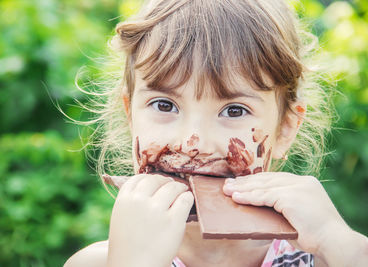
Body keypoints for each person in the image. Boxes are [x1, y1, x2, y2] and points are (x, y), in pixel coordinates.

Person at [64, 0, 368, 266]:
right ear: (131, 115)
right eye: (164, 105)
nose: (192, 143)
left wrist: (341, 244)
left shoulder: (327, 259)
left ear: (285, 128)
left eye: (233, 111)